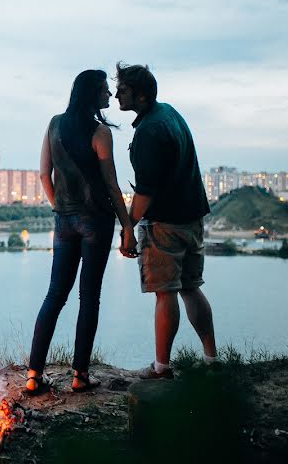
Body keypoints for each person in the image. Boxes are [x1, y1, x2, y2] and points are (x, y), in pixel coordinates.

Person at [25, 69, 136, 395]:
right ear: (92, 95)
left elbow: (45, 174)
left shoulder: (55, 124)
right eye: (104, 91)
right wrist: (127, 226)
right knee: (89, 297)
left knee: (54, 295)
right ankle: (79, 375)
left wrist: (59, 207)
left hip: (64, 221)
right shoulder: (100, 132)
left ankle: (33, 375)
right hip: (96, 221)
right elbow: (111, 185)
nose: (108, 96)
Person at [114, 63, 218, 379]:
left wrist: (128, 228)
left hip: (165, 225)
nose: (117, 94)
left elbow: (145, 193)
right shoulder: (169, 113)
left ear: (141, 96)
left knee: (166, 293)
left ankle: (161, 367)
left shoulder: (148, 131)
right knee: (191, 287)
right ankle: (212, 360)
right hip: (192, 217)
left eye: (124, 90)